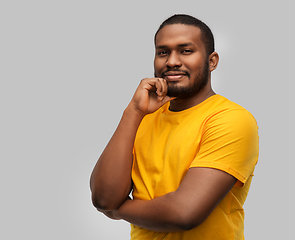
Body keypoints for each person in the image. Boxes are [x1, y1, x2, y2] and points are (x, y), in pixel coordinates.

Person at [90, 14, 259, 240]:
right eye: (163, 52)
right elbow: (103, 197)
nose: (171, 61)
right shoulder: (144, 118)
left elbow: (183, 213)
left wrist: (117, 210)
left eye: (186, 51)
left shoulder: (231, 119)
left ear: (212, 61)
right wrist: (133, 111)